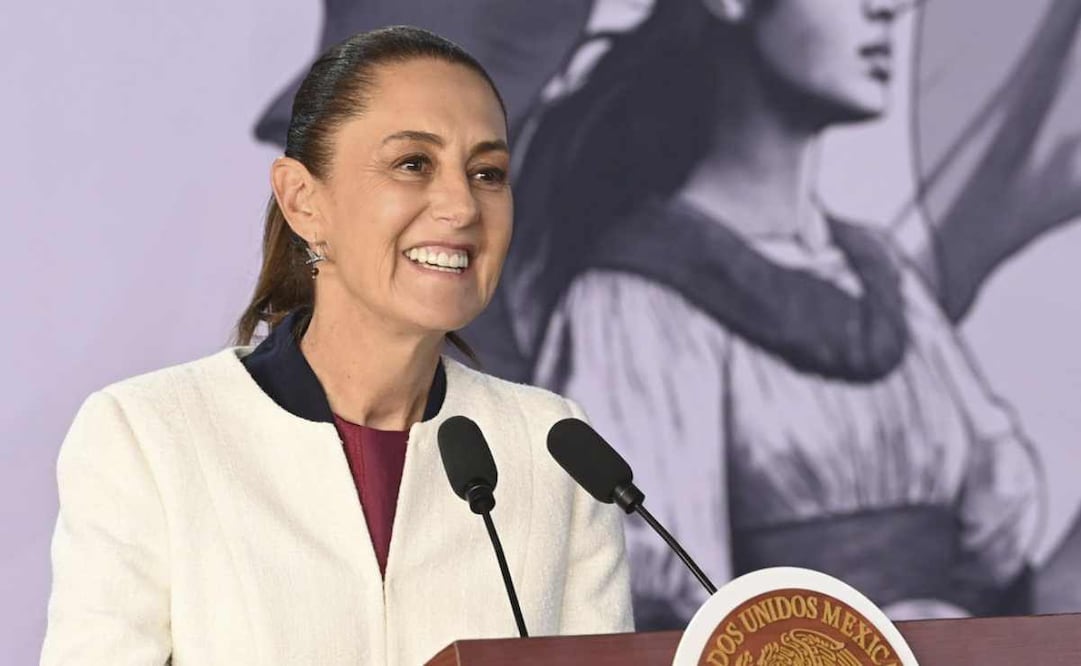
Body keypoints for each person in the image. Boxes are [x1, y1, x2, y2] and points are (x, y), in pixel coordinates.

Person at [40, 26, 631, 665]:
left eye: (487, 172)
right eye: (413, 164)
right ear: (302, 199)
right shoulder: (149, 436)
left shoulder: (553, 447)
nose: (462, 206)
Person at [504, 0, 1045, 629]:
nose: (890, 9)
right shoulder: (634, 302)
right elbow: (656, 613)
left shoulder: (884, 275)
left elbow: (996, 545)